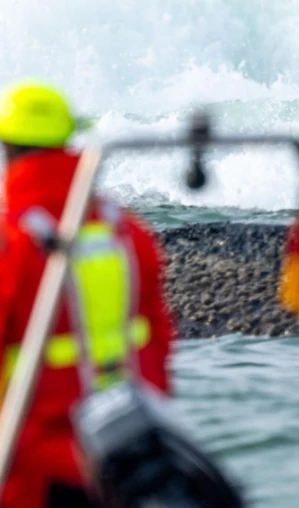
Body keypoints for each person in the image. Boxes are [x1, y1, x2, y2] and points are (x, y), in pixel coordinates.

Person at [0, 81, 174, 507]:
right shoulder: (127, 232)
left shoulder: (12, 241)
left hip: (32, 464)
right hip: (125, 455)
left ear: (7, 149)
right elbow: (159, 338)